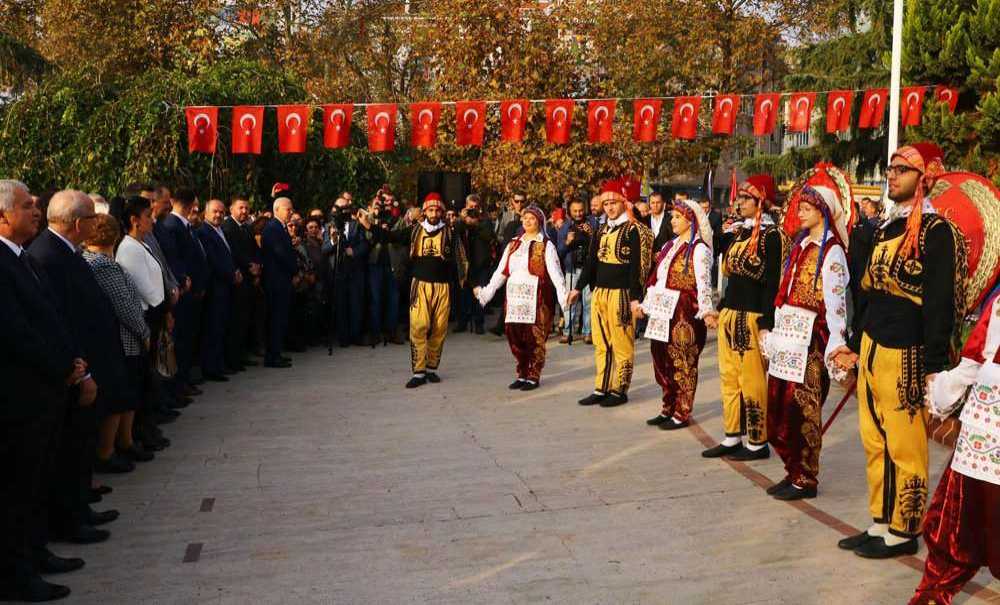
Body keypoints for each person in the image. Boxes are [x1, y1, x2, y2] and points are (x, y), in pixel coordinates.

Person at [832, 143, 966, 559]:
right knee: (874, 440)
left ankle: (905, 530)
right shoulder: (887, 229)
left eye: (901, 170)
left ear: (924, 178)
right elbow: (869, 295)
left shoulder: (937, 231)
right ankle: (880, 520)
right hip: (873, 347)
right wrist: (854, 346)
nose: (891, 176)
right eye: (890, 169)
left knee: (905, 444)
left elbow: (941, 302)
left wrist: (933, 366)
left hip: (906, 351)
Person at [0, 180, 82, 602]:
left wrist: (71, 363)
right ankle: (16, 572)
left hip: (45, 388)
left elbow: (49, 316)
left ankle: (34, 552)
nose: (36, 211)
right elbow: (16, 333)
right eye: (27, 206)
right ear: (3, 216)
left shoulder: (22, 257)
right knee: (16, 488)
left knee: (35, 482)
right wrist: (61, 367)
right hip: (21, 396)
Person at [27, 190, 116, 548]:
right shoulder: (47, 256)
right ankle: (68, 520)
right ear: (80, 223)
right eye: (93, 219)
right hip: (71, 371)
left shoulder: (66, 252)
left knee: (81, 445)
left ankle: (80, 509)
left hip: (84, 364)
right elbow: (58, 319)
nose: (97, 225)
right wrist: (81, 370)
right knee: (69, 449)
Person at [908, 291, 1000, 604]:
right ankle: (934, 593)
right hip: (984, 429)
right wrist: (943, 386)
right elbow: (975, 359)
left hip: (985, 423)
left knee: (956, 523)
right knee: (954, 523)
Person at [763, 177, 851, 501]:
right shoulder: (799, 246)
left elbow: (836, 302)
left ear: (823, 212)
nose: (800, 213)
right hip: (787, 336)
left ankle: (806, 477)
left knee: (804, 410)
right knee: (778, 409)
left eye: (807, 207)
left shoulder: (832, 253)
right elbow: (783, 294)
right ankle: (791, 468)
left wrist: (836, 343)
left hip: (811, 340)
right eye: (799, 207)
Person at [702, 174, 785, 461]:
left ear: (761, 201)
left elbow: (772, 282)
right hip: (731, 313)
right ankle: (731, 435)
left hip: (752, 316)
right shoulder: (739, 232)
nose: (740, 202)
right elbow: (731, 275)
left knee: (752, 380)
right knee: (729, 377)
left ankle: (757, 441)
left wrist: (765, 322)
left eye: (746, 198)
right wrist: (720, 307)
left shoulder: (772, 236)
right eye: (741, 198)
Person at [569, 182, 654, 407]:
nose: (609, 208)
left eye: (613, 203)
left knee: (622, 343)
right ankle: (602, 386)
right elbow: (591, 262)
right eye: (605, 204)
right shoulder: (603, 229)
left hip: (622, 294)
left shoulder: (635, 229)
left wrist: (636, 297)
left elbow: (638, 266)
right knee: (601, 342)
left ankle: (620, 389)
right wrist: (578, 288)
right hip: (600, 293)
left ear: (623, 202)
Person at [82, 213, 154, 473]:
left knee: (128, 394)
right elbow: (124, 305)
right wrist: (144, 333)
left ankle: (125, 441)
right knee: (123, 394)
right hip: (125, 340)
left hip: (119, 340)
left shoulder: (92, 261)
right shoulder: (103, 265)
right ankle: (112, 448)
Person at [476, 205, 569, 390]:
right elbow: (502, 271)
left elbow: (555, 273)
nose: (527, 221)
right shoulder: (514, 244)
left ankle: (533, 375)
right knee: (514, 336)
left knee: (534, 338)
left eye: (532, 218)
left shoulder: (546, 245)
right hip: (514, 298)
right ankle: (522, 373)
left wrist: (563, 296)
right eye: (525, 218)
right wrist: (487, 292)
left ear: (539, 222)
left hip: (537, 298)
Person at [643, 199, 717, 430]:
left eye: (677, 217)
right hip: (663, 310)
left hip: (685, 312)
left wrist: (705, 311)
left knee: (683, 361)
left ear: (690, 220)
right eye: (672, 216)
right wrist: (646, 305)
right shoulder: (670, 245)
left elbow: (704, 283)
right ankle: (668, 406)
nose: (672, 221)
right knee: (661, 359)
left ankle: (682, 410)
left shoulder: (699, 249)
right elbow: (658, 278)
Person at [404, 193, 468, 388]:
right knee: (419, 325)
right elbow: (391, 236)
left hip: (443, 287)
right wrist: (369, 225)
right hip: (420, 285)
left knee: (439, 329)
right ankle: (419, 371)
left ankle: (431, 369)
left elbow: (461, 258)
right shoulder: (414, 230)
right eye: (430, 210)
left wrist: (467, 284)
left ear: (441, 212)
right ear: (425, 212)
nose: (433, 213)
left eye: (437, 210)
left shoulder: (450, 232)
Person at [154, 188, 207, 398]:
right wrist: (182, 278)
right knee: (179, 341)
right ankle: (175, 387)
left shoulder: (184, 226)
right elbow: (173, 258)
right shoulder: (171, 226)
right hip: (181, 292)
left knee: (186, 340)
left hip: (190, 292)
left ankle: (182, 382)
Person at [197, 200, 241, 380]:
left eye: (221, 212)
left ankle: (218, 364)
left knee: (221, 327)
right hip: (216, 287)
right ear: (205, 213)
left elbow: (227, 255)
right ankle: (211, 368)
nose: (218, 215)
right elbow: (214, 261)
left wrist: (235, 270)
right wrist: (231, 274)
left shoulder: (220, 230)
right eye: (215, 212)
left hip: (225, 286)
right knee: (213, 328)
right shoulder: (204, 232)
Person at [221, 197, 260, 371]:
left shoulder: (247, 228)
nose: (244, 211)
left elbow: (254, 250)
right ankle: (232, 359)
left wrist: (258, 265)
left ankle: (241, 355)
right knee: (236, 322)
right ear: (231, 209)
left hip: (250, 279)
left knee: (245, 320)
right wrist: (248, 265)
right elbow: (234, 251)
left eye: (246, 208)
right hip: (238, 280)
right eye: (240, 208)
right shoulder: (228, 227)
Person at [260, 197, 298, 368]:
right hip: (276, 280)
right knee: (276, 318)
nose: (291, 212)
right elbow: (281, 253)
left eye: (291, 209)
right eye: (287, 209)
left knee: (280, 318)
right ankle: (272, 356)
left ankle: (276, 352)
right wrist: (294, 270)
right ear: (277, 210)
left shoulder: (281, 228)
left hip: (282, 279)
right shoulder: (272, 228)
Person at [324, 197, 368, 347]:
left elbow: (364, 245)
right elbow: (324, 249)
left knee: (355, 304)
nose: (343, 211)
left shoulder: (357, 225)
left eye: (345, 207)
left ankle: (356, 336)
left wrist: (354, 251)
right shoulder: (329, 226)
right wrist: (333, 241)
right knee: (341, 305)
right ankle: (343, 338)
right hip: (338, 271)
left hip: (355, 271)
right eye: (339, 208)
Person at [555, 198, 597, 345]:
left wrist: (591, 233)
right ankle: (567, 331)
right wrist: (567, 241)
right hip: (571, 269)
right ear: (570, 212)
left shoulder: (592, 223)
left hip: (588, 269)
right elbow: (558, 251)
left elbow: (599, 244)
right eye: (575, 211)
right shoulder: (565, 227)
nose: (579, 214)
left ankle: (587, 332)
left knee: (588, 302)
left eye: (581, 210)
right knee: (570, 302)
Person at [454, 195, 497, 335]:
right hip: (466, 263)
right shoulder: (463, 220)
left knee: (480, 294)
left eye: (476, 207)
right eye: (470, 207)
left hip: (481, 263)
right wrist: (462, 218)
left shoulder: (485, 221)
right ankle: (462, 322)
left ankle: (479, 323)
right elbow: (456, 231)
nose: (473, 210)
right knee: (464, 294)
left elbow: (489, 236)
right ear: (466, 206)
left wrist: (476, 223)